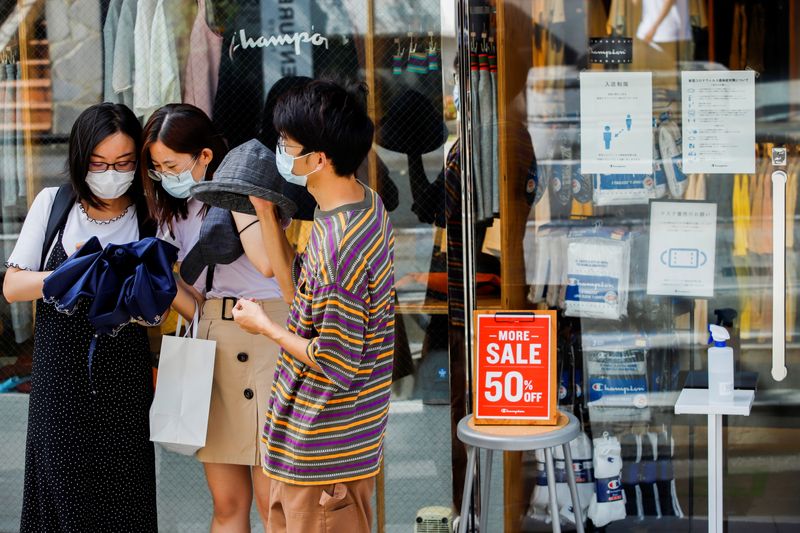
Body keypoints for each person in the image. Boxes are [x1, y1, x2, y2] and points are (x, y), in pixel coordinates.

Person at [231, 80, 395, 533]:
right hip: (325, 444)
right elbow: (300, 297)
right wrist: (265, 213)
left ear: (319, 158)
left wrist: (264, 327)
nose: (280, 150)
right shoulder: (361, 202)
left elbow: (336, 361)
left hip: (323, 449)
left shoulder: (340, 247)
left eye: (288, 143)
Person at [3, 103, 158, 532]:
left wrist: (133, 295)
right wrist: (67, 275)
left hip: (123, 378)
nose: (112, 172)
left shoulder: (149, 214)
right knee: (61, 493)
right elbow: (13, 286)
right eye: (100, 163)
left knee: (124, 495)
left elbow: (159, 310)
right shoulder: (53, 203)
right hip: (60, 377)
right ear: (80, 158)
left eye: (124, 162)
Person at [141, 103, 288, 533]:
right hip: (213, 343)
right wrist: (159, 282)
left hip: (266, 337)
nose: (166, 175)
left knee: (272, 500)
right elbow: (195, 302)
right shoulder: (174, 212)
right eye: (158, 168)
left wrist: (243, 202)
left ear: (204, 156)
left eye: (172, 164)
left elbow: (267, 266)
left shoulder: (243, 192)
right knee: (227, 503)